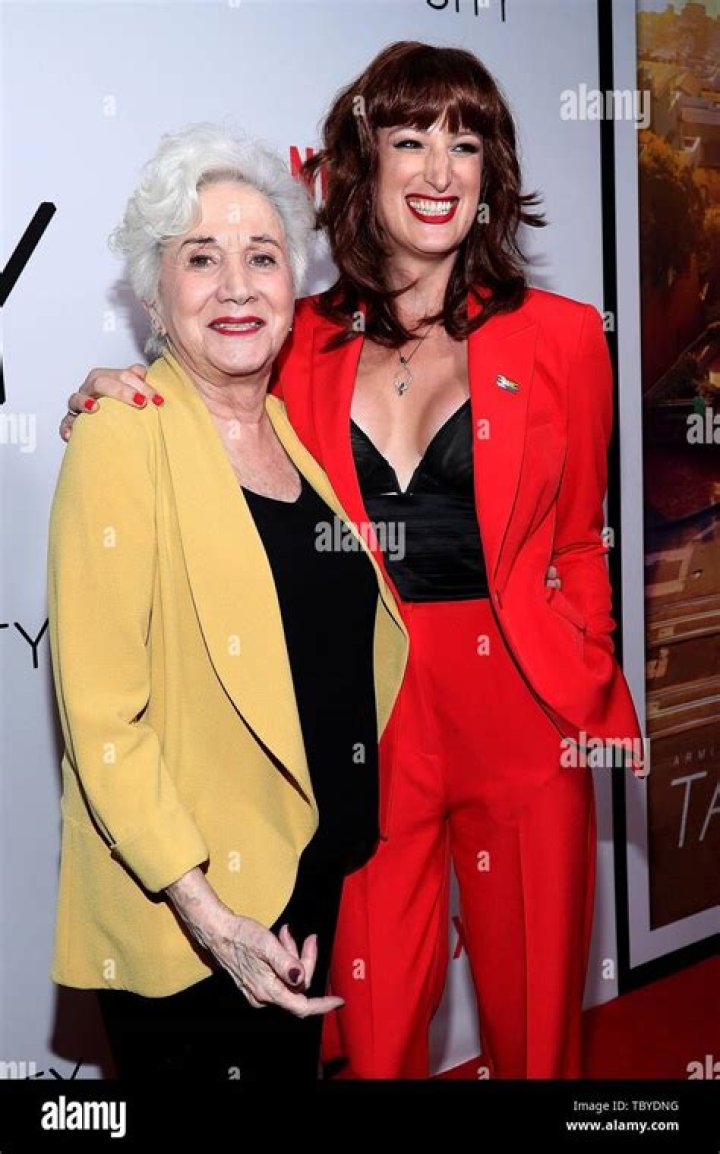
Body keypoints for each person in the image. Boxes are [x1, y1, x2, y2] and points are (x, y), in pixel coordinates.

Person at [60, 42, 643, 1079]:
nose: (438, 171)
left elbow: (576, 539)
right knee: (371, 1041)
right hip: (369, 724)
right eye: (410, 140)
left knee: (539, 1032)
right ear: (361, 164)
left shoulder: (561, 336)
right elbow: (205, 376)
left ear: (492, 174)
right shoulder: (301, 337)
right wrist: (110, 386)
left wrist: (585, 664)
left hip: (524, 720)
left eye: (465, 144)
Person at [47, 123, 408, 1083]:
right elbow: (102, 721)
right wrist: (210, 917)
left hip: (302, 873)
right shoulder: (122, 434)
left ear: (296, 288)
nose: (238, 286)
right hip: (193, 913)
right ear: (154, 294)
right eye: (201, 258)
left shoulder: (287, 427)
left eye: (263, 256)